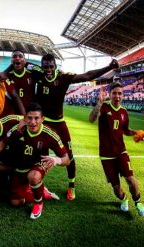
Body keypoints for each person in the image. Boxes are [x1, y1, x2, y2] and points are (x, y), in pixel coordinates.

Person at [35, 53, 119, 200]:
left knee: (70, 156)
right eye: (45, 66)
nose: (48, 69)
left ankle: (71, 186)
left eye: (51, 66)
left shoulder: (63, 77)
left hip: (59, 123)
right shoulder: (38, 76)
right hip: (43, 123)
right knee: (39, 155)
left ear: (55, 66)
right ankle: (39, 185)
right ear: (42, 67)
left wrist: (108, 67)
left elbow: (87, 76)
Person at [0, 102, 70, 219]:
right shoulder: (19, 129)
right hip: (20, 168)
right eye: (29, 118)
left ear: (42, 119)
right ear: (25, 118)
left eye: (36, 118)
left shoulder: (49, 134)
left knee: (34, 176)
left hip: (38, 165)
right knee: (16, 202)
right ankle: (41, 191)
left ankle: (38, 202)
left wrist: (56, 160)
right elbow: (4, 142)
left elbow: (67, 159)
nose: (33, 122)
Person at [89, 83, 144, 216]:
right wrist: (99, 103)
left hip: (121, 152)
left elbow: (125, 130)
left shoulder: (124, 112)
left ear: (123, 95)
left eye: (120, 93)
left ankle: (138, 202)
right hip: (106, 155)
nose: (117, 96)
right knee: (116, 189)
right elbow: (91, 119)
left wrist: (136, 133)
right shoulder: (104, 106)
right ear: (110, 94)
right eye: (114, 93)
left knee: (130, 178)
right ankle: (124, 199)